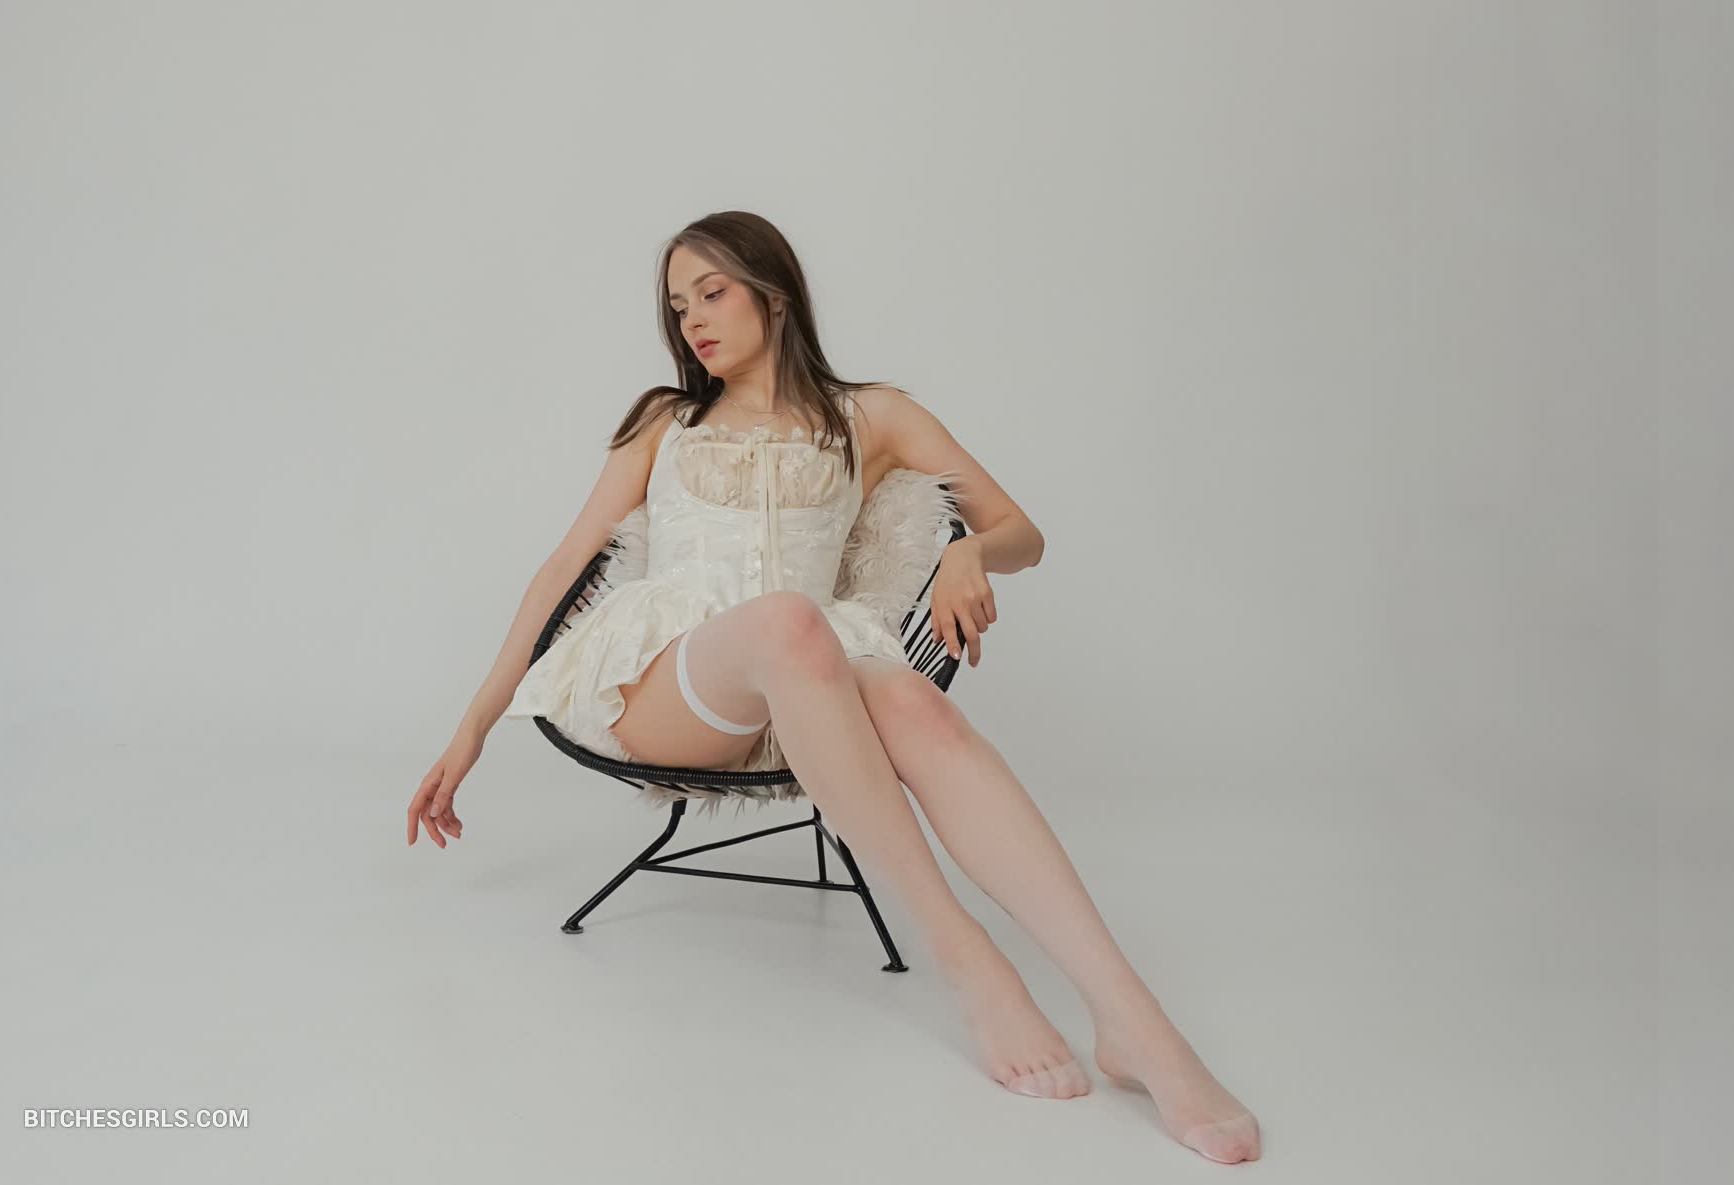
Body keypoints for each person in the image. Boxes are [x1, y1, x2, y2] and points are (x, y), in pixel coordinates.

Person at [406, 211, 1261, 1165]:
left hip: (809, 684)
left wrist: (969, 552)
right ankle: (967, 957)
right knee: (789, 621)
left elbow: (1023, 532)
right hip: (670, 689)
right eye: (678, 305)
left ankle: (1134, 1020)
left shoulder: (874, 416)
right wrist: (472, 727)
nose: (692, 319)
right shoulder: (665, 423)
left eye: (712, 292)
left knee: (909, 697)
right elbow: (563, 567)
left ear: (774, 294)